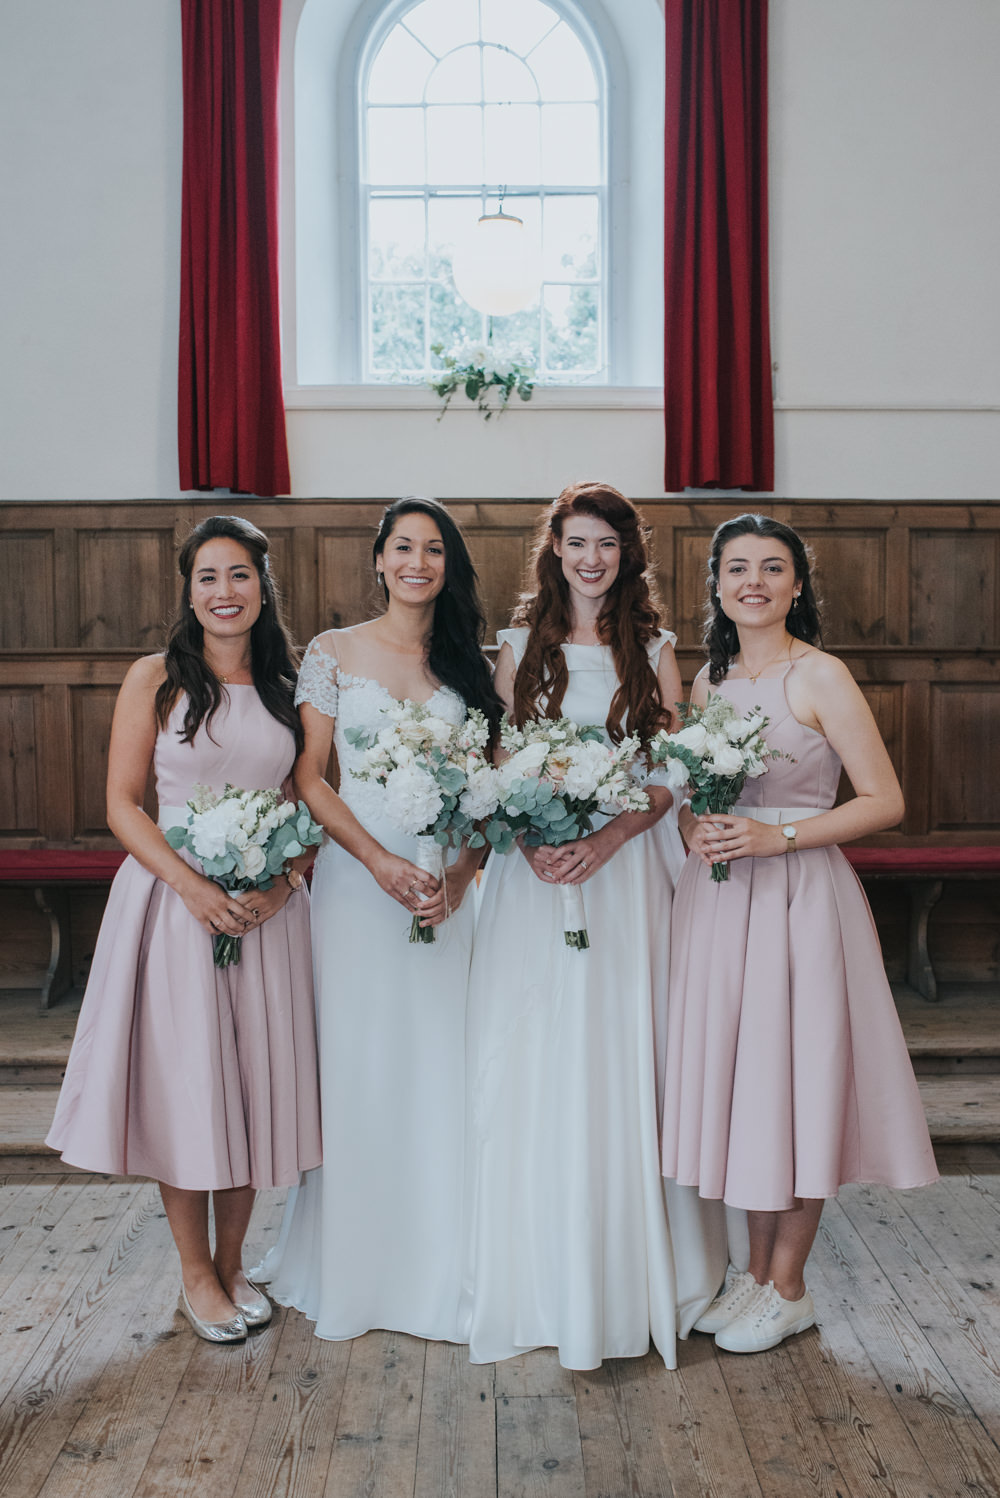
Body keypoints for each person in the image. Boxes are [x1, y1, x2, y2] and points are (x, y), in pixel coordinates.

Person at [462, 481, 733, 1371]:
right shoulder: (513, 649)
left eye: (607, 546)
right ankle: (538, 1269)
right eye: (577, 543)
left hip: (623, 879)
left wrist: (611, 835)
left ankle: (636, 1265)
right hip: (531, 879)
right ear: (554, 550)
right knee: (535, 1048)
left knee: (623, 1046)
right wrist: (536, 834)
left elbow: (672, 773)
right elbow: (495, 763)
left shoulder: (652, 649)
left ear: (627, 556)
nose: (591, 559)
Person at [661, 512, 938, 1354]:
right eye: (737, 567)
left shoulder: (821, 675)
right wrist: (694, 830)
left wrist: (777, 836)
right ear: (716, 585)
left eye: (772, 567)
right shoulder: (706, 684)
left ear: (796, 585)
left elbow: (883, 801)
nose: (754, 581)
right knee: (748, 1086)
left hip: (797, 899)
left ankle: (790, 1284)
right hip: (720, 901)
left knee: (797, 1082)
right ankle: (751, 1274)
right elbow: (689, 800)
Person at [47, 515, 322, 1343]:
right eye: (207, 577)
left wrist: (283, 882)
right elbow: (122, 805)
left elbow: (311, 803)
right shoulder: (154, 680)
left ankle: (235, 1261)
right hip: (172, 910)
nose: (223, 592)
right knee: (190, 1088)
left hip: (265, 917)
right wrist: (194, 889)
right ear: (189, 589)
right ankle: (195, 1274)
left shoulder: (291, 686)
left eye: (239, 576)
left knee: (250, 1087)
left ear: (262, 588)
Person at [254, 496, 503, 1341]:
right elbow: (313, 777)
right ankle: (357, 1261)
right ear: (379, 559)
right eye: (404, 548)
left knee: (444, 1064)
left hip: (445, 892)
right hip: (362, 894)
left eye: (434, 550)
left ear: (448, 565)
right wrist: (374, 860)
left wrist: (463, 874)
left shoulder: (474, 663)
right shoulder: (332, 653)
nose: (418, 563)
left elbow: (486, 790)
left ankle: (444, 1260)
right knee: (362, 1067)